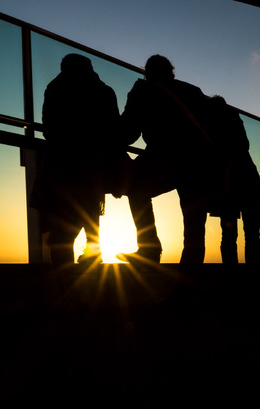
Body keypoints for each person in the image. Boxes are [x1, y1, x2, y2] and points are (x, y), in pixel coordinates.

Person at [117, 55, 217, 265]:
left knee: (135, 189)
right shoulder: (192, 91)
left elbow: (128, 132)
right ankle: (191, 274)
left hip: (163, 156)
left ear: (147, 72)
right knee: (194, 220)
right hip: (198, 161)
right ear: (171, 71)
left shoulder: (143, 92)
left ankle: (149, 248)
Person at [30, 53, 122, 265]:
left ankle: (66, 281)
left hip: (61, 163)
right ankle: (90, 261)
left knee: (62, 228)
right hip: (93, 164)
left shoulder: (55, 89)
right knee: (88, 216)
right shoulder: (104, 92)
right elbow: (114, 129)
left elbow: (48, 128)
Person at [207, 95, 260, 264]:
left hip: (226, 186)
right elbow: (244, 145)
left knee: (228, 234)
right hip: (248, 183)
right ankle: (251, 270)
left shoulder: (211, 133)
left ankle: (231, 272)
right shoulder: (234, 120)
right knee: (252, 234)